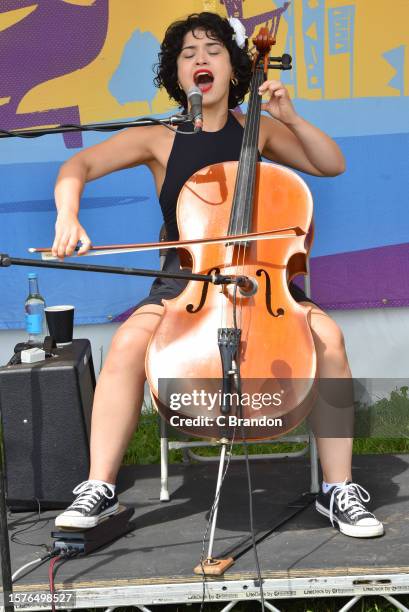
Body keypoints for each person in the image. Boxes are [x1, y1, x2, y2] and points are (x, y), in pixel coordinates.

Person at [53, 12, 383, 538]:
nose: (200, 59)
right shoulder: (157, 139)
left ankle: (338, 489)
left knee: (329, 338)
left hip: (264, 281)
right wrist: (68, 215)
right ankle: (99, 487)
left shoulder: (260, 130)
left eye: (212, 49)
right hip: (184, 283)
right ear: (177, 74)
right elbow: (78, 167)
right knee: (127, 343)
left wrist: (291, 118)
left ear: (235, 69)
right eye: (188, 54)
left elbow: (330, 164)